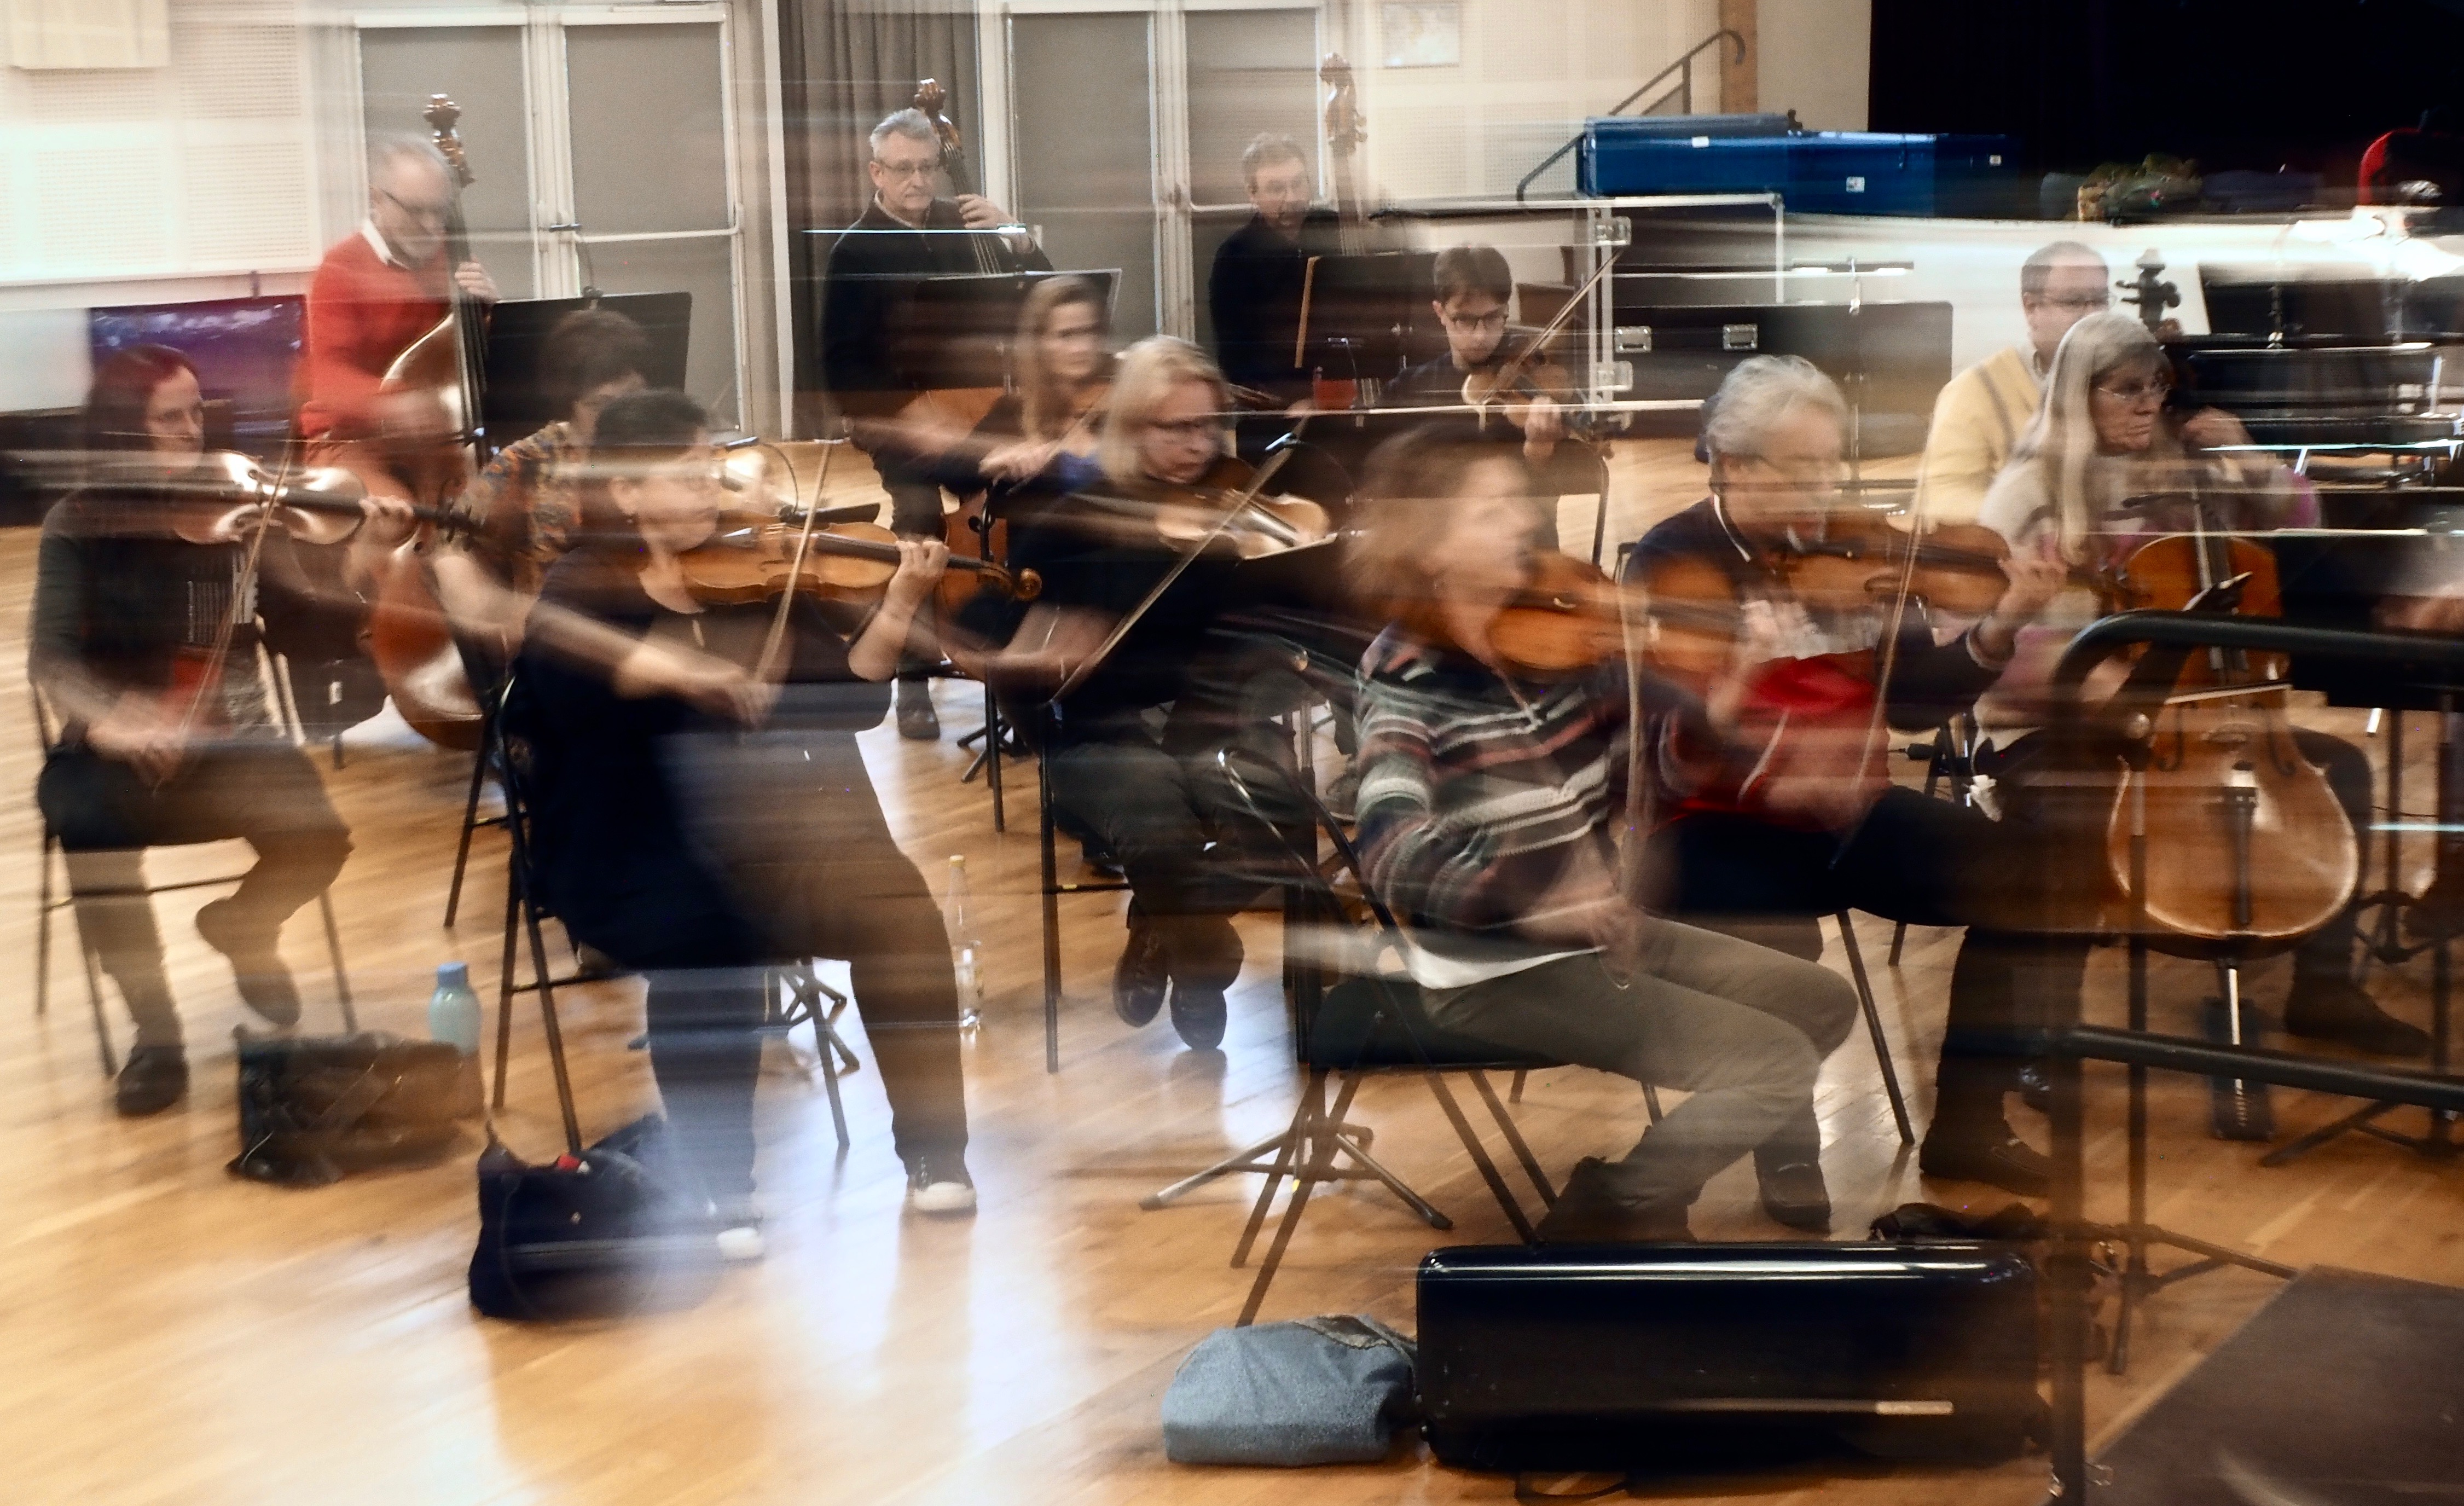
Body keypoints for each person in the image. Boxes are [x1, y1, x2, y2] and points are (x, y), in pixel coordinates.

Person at [1344, 425, 1861, 1240]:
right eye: (1489, 512)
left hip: (1595, 934)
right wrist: (1535, 899)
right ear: (1429, 550)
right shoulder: (1406, 680)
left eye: (1517, 500)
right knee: (1771, 1063)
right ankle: (1604, 1217)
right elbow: (1390, 849)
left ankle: (1637, 1209)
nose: (1522, 522)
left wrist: (1727, 698)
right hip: (1491, 964)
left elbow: (1652, 771)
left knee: (1818, 1003)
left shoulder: (1555, 645)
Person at [513, 391, 978, 1249]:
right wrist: (688, 678)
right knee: (708, 940)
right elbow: (578, 708)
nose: (706, 493)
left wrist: (902, 603)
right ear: (624, 495)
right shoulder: (585, 587)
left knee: (902, 917)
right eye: (683, 477)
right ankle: (720, 1187)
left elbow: (847, 705)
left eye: (709, 474)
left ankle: (934, 1156)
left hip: (783, 836)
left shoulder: (754, 571)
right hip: (640, 850)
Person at [1623, 356, 2072, 1194]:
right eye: (1801, 468)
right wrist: (1767, 745)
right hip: (1709, 824)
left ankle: (1969, 1127)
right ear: (1732, 462)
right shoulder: (1674, 560)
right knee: (1775, 934)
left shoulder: (1859, 550)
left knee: (2031, 881)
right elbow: (1662, 753)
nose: (1824, 486)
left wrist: (2003, 622)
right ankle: (1784, 1146)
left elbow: (1910, 704)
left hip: (1843, 813)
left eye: (1833, 463)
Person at [1978, 310, 2426, 1057]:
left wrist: (2248, 460)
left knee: (2342, 768)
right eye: (2123, 390)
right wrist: (2097, 669)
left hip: (2206, 716)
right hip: (2066, 725)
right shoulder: (2026, 491)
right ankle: (2036, 1035)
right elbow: (2003, 644)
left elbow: (2303, 520)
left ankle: (2322, 991)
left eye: (2155, 386)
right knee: (2071, 812)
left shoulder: (2183, 466)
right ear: (2076, 394)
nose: (2146, 404)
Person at [31, 347, 409, 1116]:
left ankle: (243, 925)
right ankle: (156, 1034)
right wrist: (112, 719)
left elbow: (311, 627)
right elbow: (51, 656)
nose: (191, 430)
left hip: (235, 743)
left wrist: (368, 553)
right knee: (87, 829)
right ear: (123, 433)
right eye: (168, 417)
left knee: (320, 837)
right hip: (113, 754)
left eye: (197, 411)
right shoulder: (78, 524)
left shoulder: (242, 518)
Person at [977, 337, 1326, 1051]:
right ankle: (1202, 962)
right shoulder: (1069, 524)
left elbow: (1320, 492)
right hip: (1101, 734)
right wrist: (1037, 663)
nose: (1199, 445)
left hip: (1215, 718)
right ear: (1132, 427)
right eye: (1177, 428)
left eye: (1209, 425)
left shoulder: (1226, 512)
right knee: (1156, 819)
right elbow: (996, 648)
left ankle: (1161, 926)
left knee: (1278, 815)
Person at [821, 107, 1051, 740]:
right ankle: (914, 677)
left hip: (980, 410)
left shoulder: (963, 226)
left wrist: (1018, 237)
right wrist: (911, 418)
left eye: (928, 167)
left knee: (1040, 492)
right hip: (904, 421)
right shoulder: (853, 251)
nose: (920, 180)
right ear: (877, 172)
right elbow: (842, 367)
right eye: (904, 169)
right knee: (919, 519)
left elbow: (1047, 294)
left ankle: (1015, 664)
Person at [427, 306, 654, 667]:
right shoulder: (526, 463)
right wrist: (495, 615)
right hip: (568, 650)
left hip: (654, 631)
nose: (623, 415)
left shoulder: (659, 450)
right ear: (569, 401)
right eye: (601, 404)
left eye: (633, 398)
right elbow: (449, 546)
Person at [295, 135, 498, 508]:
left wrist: (486, 314)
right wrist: (393, 404)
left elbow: (454, 362)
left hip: (434, 441)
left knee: (494, 504)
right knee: (403, 515)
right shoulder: (339, 269)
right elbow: (326, 376)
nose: (431, 225)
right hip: (350, 440)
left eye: (440, 211)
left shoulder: (448, 259)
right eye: (416, 210)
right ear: (377, 200)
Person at [1911, 242, 2109, 527]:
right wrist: (2036, 521)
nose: (2092, 316)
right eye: (2073, 302)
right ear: (2031, 308)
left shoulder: (2124, 381)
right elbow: (1940, 498)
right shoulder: (1973, 390)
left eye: (2100, 300)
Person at [1385, 245, 1568, 473]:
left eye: (1493, 318)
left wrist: (1539, 448)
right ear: (1440, 313)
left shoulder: (1533, 375)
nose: (1481, 336)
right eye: (1464, 320)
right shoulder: (1409, 388)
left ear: (1506, 309)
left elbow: (1548, 496)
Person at [1207, 133, 1338, 415]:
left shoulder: (1335, 230)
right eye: (1277, 189)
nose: (1292, 199)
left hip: (1340, 394)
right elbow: (1236, 360)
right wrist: (1291, 402)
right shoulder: (1234, 257)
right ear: (1252, 194)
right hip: (1274, 407)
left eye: (1299, 184)